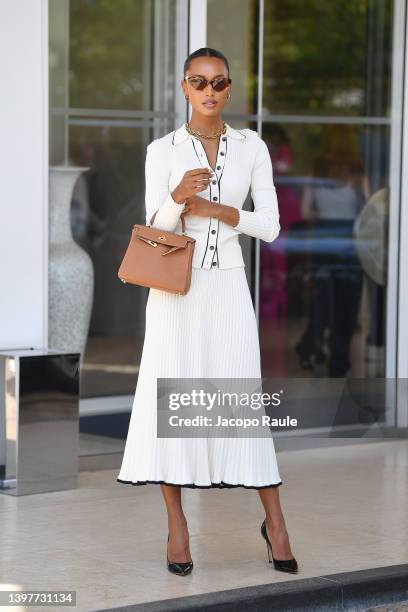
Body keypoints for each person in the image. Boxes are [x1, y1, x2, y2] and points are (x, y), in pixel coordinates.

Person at [117, 47, 298, 576]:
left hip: (228, 290)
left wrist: (218, 209)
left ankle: (276, 524)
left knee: (241, 404)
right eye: (200, 82)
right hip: (176, 295)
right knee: (172, 404)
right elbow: (155, 227)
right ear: (184, 87)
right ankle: (177, 527)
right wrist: (177, 197)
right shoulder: (163, 149)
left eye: (220, 83)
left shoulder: (251, 147)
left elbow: (270, 225)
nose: (210, 92)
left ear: (229, 88)